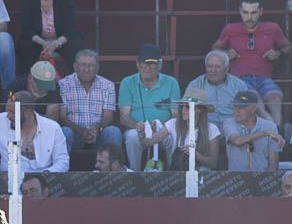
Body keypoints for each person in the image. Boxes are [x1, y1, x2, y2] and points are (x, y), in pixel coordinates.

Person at [213, 0, 292, 127]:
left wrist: (278, 53)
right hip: (241, 80)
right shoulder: (230, 29)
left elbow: (289, 47)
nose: (249, 17)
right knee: (255, 100)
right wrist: (226, 54)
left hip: (265, 78)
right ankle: (277, 130)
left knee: (275, 97)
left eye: (253, 13)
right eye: (245, 12)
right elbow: (214, 49)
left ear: (261, 11)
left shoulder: (272, 28)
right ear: (240, 11)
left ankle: (276, 128)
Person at [118, 43, 180, 171]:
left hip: (163, 128)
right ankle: (135, 176)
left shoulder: (171, 83)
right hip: (137, 128)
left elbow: (175, 115)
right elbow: (124, 117)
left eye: (152, 63)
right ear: (137, 64)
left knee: (174, 135)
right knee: (132, 137)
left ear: (160, 65)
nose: (147, 67)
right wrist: (139, 127)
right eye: (144, 63)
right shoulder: (127, 82)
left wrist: (161, 126)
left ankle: (173, 174)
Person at [17, 0, 83, 74]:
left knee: (75, 45)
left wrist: (55, 44)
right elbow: (26, 29)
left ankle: (74, 83)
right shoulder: (28, 0)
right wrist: (43, 43)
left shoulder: (64, 1)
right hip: (38, 41)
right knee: (25, 46)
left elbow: (70, 29)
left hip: (59, 42)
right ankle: (25, 83)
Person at [58, 49, 121, 156]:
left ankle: (114, 172)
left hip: (98, 134)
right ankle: (60, 170)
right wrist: (81, 131)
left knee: (113, 131)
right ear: (75, 66)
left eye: (91, 65)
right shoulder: (63, 84)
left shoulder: (107, 85)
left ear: (97, 68)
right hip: (75, 134)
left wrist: (96, 129)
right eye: (83, 65)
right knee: (64, 132)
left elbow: (108, 117)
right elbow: (63, 118)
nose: (87, 69)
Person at [185, 50, 265, 127]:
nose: (213, 70)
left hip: (234, 126)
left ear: (227, 68)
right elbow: (186, 109)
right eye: (209, 66)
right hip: (205, 127)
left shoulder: (238, 85)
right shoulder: (195, 85)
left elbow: (247, 109)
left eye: (217, 67)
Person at [149, 96, 221, 170]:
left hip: (201, 176)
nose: (183, 109)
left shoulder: (212, 129)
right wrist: (142, 133)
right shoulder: (173, 123)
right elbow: (148, 142)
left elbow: (213, 163)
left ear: (200, 109)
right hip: (176, 173)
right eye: (181, 106)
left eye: (187, 106)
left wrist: (194, 153)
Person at [222, 90, 283, 171]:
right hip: (235, 180)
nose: (237, 110)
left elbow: (273, 163)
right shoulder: (229, 123)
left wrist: (264, 180)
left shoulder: (270, 126)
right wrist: (265, 133)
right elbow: (237, 141)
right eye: (235, 106)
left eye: (242, 107)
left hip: (262, 178)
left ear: (254, 108)